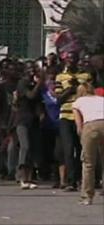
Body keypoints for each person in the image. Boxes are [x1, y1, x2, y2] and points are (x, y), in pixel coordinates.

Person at [55, 51, 92, 191]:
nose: (70, 61)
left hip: (82, 116)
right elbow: (58, 99)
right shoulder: (61, 77)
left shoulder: (86, 76)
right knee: (68, 149)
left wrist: (79, 86)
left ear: (77, 60)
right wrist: (71, 89)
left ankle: (81, 178)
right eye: (68, 59)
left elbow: (90, 96)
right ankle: (71, 181)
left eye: (73, 59)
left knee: (81, 148)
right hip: (66, 116)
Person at [72, 83, 104, 205]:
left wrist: (82, 137)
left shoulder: (78, 102)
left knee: (88, 163)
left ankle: (87, 196)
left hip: (91, 126)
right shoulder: (101, 99)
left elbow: (79, 124)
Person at [15, 61, 43, 189]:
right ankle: (20, 177)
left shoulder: (34, 83)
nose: (32, 71)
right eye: (29, 68)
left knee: (32, 149)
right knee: (25, 147)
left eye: (34, 68)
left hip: (33, 120)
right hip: (22, 120)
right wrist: (39, 83)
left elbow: (38, 101)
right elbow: (31, 96)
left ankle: (29, 178)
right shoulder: (22, 83)